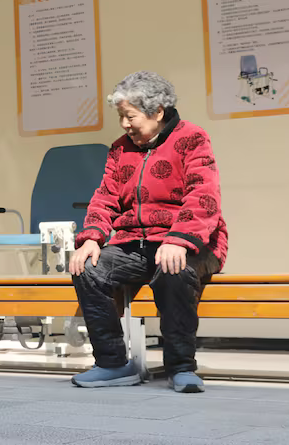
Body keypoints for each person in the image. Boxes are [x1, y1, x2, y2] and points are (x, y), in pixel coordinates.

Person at [69, 71, 228, 393]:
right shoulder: (120, 149)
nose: (124, 124)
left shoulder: (192, 138)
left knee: (174, 270)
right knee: (88, 268)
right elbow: (106, 197)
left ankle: (181, 367)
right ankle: (112, 364)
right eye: (121, 117)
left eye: (130, 117)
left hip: (191, 242)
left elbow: (204, 194)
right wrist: (91, 238)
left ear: (157, 112)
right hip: (136, 242)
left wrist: (179, 239)